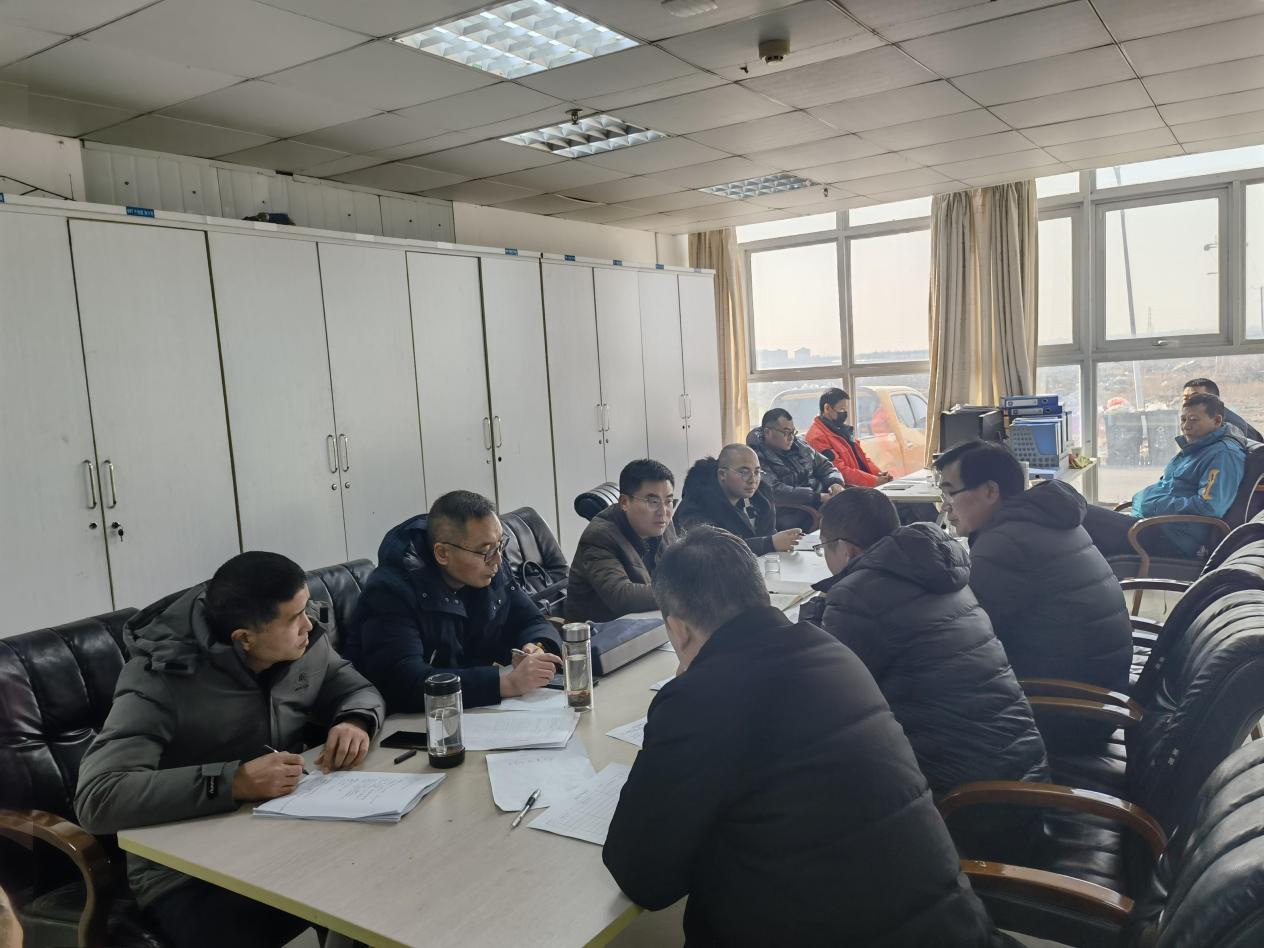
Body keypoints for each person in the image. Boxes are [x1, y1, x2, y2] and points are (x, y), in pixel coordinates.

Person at [603, 526, 1007, 947]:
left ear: (678, 629)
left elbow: (644, 878)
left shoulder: (700, 698)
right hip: (958, 931)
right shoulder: (832, 650)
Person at [75, 552, 385, 948]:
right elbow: (98, 797)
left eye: (306, 608)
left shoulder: (303, 644)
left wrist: (355, 720)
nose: (309, 624)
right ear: (244, 638)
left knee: (380, 894)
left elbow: (357, 690)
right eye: (294, 618)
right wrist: (233, 782)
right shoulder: (160, 678)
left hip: (287, 835)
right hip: (187, 874)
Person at [798, 489, 1048, 860]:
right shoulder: (939, 572)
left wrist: (807, 630)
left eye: (824, 549)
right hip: (1021, 784)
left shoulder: (857, 594)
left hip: (968, 810)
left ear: (846, 550)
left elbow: (825, 700)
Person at [934, 441, 1132, 748]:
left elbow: (965, 638)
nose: (946, 506)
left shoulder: (1005, 543)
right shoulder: (1045, 517)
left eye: (950, 493)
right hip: (1098, 699)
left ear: (990, 491)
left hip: (1064, 716)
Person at [344, 491, 562, 712]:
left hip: (471, 709)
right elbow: (403, 681)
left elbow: (532, 620)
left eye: (500, 545)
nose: (497, 559)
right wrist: (505, 684)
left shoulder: (489, 569)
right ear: (442, 553)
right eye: (485, 551)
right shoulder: (391, 592)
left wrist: (536, 647)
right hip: (409, 720)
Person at [1081, 393, 1248, 559]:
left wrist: (1154, 505)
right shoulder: (1197, 448)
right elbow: (1170, 487)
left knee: (1082, 514)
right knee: (1080, 524)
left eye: (1194, 420)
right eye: (1183, 419)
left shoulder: (1223, 455)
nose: (1186, 426)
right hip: (1153, 524)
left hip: (1172, 537)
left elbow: (1210, 507)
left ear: (1217, 421)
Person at [565, 459, 678, 622]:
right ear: (624, 502)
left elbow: (680, 569)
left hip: (649, 623)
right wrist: (681, 592)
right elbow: (622, 596)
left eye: (668, 501)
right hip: (602, 632)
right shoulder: (599, 536)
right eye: (653, 502)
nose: (663, 511)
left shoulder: (662, 523)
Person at [674, 444, 802, 554]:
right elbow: (711, 550)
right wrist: (768, 544)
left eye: (757, 472)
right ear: (722, 474)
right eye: (744, 472)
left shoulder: (761, 495)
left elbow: (768, 533)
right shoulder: (697, 503)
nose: (753, 480)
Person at [747, 407, 844, 531]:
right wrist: (817, 497)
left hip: (821, 499)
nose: (791, 437)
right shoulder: (755, 456)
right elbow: (774, 491)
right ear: (767, 432)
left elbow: (825, 465)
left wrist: (835, 483)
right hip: (792, 510)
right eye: (786, 432)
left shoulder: (800, 446)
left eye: (793, 432)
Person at [805, 387, 893, 487]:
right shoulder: (817, 438)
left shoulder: (842, 430)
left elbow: (862, 459)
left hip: (862, 485)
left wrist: (879, 474)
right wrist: (874, 481)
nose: (845, 413)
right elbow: (839, 471)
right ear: (827, 408)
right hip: (847, 490)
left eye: (845, 409)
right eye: (841, 409)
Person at [1183, 377, 1262, 442]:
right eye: (1185, 398)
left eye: (1196, 397)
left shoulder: (1231, 426)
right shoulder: (1199, 420)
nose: (1189, 402)